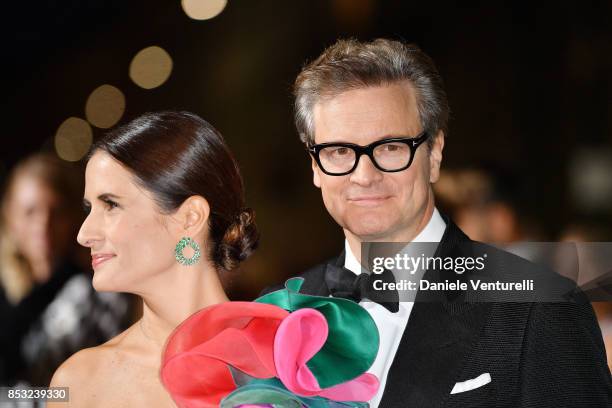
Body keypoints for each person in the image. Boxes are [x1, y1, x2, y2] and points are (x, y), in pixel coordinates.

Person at [263, 38, 612, 407]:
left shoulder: (542, 309)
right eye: (339, 151)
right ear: (315, 166)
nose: (364, 175)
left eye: (391, 147)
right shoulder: (279, 315)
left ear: (435, 154)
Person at [48, 111, 259, 407]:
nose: (84, 234)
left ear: (189, 218)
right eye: (88, 209)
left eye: (110, 205)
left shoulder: (290, 359)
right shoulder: (80, 382)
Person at [0, 153, 132, 387]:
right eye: (30, 212)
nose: (43, 226)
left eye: (56, 211)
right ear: (10, 217)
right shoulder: (6, 293)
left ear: (72, 217)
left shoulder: (99, 293)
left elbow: (88, 391)